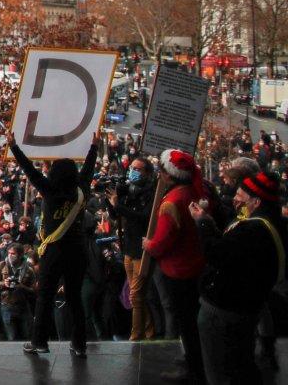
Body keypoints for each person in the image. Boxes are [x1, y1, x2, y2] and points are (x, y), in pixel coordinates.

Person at [9, 130, 99, 357]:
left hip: (54, 250)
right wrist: (93, 148)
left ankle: (39, 341)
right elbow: (88, 171)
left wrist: (14, 147)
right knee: (74, 298)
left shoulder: (48, 190)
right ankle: (79, 344)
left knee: (46, 296)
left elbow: (30, 170)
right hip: (77, 249)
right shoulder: (80, 191)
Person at [190, 170, 286, 384]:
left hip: (224, 313)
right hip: (245, 309)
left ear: (256, 202)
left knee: (220, 372)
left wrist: (203, 223)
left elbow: (217, 254)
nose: (235, 201)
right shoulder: (269, 223)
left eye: (240, 198)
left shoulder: (254, 230)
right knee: (241, 365)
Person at [143, 149, 206, 383]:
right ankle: (193, 357)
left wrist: (149, 244)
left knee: (186, 320)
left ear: (170, 175)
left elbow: (161, 242)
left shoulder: (172, 201)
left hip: (178, 269)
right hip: (194, 263)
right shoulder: (193, 191)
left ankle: (193, 367)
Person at [106, 155, 157, 340]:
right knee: (137, 296)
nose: (133, 172)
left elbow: (143, 217)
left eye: (138, 169)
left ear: (147, 172)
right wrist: (113, 201)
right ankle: (149, 330)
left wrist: (119, 206)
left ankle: (136, 335)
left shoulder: (151, 192)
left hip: (141, 249)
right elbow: (116, 214)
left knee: (135, 294)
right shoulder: (130, 190)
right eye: (131, 168)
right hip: (128, 247)